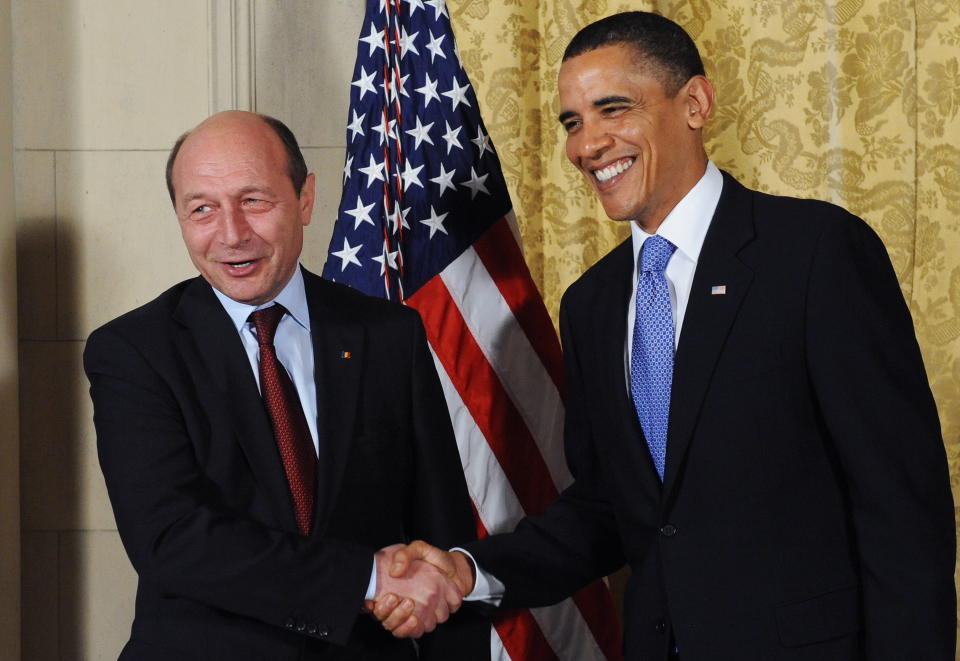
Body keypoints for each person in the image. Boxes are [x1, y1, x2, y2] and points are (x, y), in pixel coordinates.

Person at [372, 11, 957, 661]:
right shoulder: (592, 304)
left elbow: (902, 512)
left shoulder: (815, 255)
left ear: (696, 103)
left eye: (611, 109)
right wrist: (467, 570)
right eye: (572, 122)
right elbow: (607, 509)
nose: (587, 144)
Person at [84, 110, 487, 661]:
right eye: (201, 208)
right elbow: (172, 540)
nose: (231, 233)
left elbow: (439, 533)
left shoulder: (387, 334)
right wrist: (367, 579)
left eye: (254, 200)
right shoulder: (134, 352)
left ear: (305, 198)